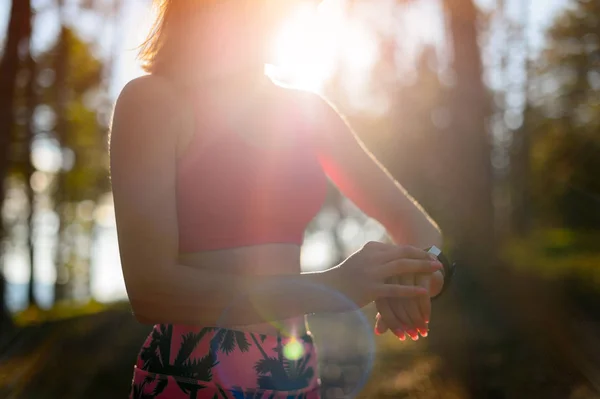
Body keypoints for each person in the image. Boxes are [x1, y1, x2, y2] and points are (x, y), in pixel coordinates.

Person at [109, 1, 448, 398]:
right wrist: (333, 286)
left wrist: (414, 278)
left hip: (292, 372)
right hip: (192, 374)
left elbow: (419, 227)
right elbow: (151, 291)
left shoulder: (308, 111)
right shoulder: (153, 101)